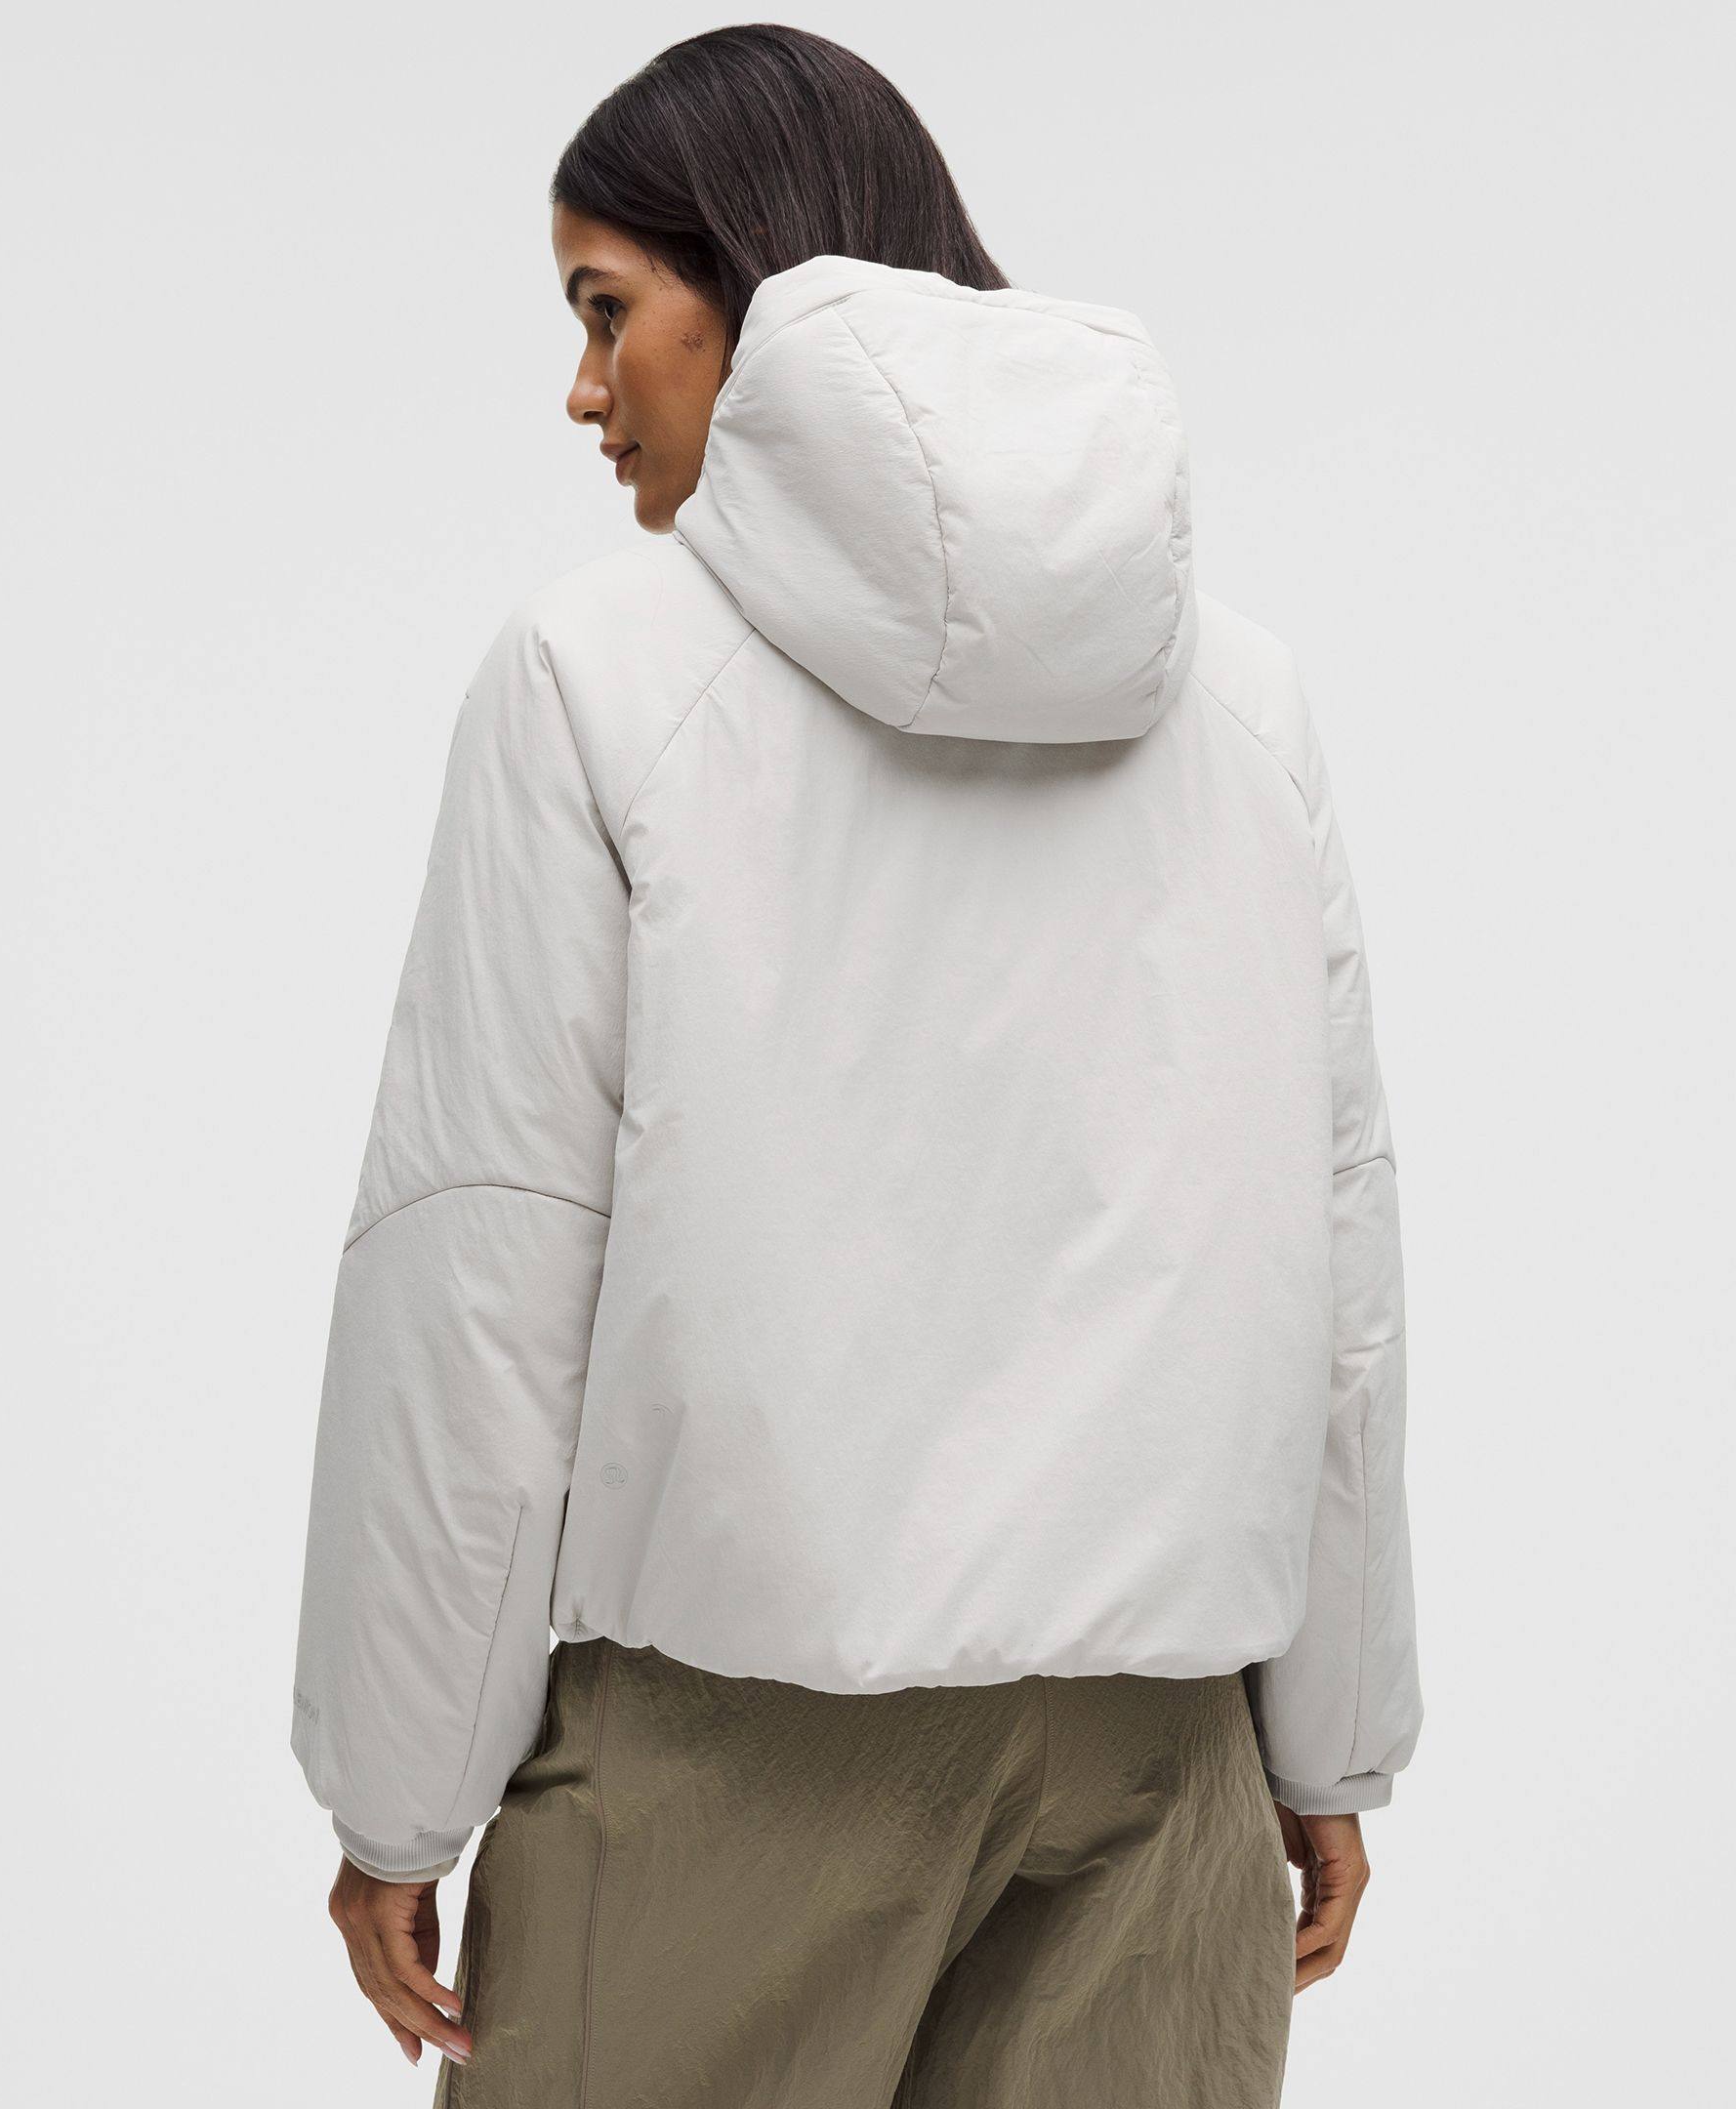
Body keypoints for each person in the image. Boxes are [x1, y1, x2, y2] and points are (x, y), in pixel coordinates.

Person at [291, 23, 1421, 2105]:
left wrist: (396, 1788)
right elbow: (1330, 1264)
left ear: (752, 289)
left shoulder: (593, 678)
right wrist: (1328, 1739)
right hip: (1156, 1763)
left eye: (606, 310)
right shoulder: (1242, 702)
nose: (583, 389)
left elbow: (487, 1279)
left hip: (725, 1761)